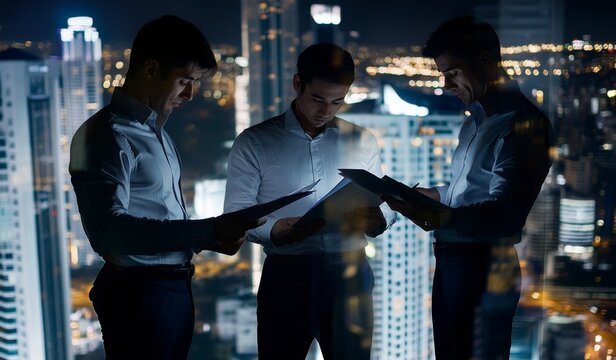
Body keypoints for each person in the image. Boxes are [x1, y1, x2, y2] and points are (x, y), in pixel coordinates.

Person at [69, 15, 263, 359]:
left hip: (168, 288)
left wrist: (210, 238)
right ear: (150, 69)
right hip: (139, 294)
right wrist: (204, 230)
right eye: (184, 81)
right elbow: (108, 232)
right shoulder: (106, 135)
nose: (190, 94)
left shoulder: (156, 131)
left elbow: (159, 215)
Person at [382, 16, 554, 360]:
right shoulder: (476, 120)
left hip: (484, 267)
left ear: (485, 61)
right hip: (453, 261)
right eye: (442, 73)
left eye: (453, 72)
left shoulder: (521, 126)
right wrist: (435, 195)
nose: (446, 84)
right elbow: (474, 190)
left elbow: (504, 215)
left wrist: (438, 215)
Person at [224, 43, 395, 359]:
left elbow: (379, 197)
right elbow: (236, 213)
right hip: (288, 275)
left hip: (351, 273)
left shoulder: (361, 140)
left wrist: (381, 217)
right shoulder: (256, 142)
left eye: (337, 102)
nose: (326, 110)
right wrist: (275, 231)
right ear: (297, 84)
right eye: (318, 99)